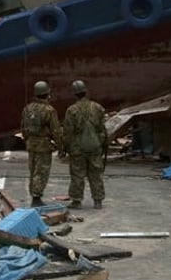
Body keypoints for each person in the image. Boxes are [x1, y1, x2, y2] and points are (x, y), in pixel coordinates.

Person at [62, 79, 107, 209]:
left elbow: (68, 132)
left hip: (77, 148)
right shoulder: (97, 108)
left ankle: (77, 200)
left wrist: (66, 147)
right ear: (85, 91)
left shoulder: (71, 110)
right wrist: (100, 143)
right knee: (96, 174)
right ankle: (98, 201)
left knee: (77, 174)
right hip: (94, 146)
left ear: (74, 94)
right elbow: (102, 129)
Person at [20, 80, 62, 208]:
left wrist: (27, 139)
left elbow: (23, 127)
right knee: (41, 171)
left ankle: (34, 194)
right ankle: (36, 198)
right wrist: (61, 146)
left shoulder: (27, 108)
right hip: (43, 145)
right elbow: (55, 130)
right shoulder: (49, 110)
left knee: (33, 170)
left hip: (31, 144)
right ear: (47, 94)